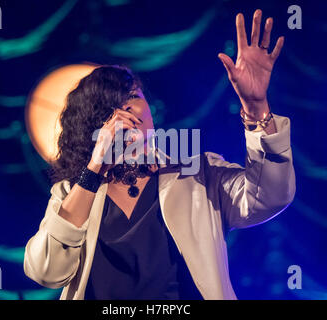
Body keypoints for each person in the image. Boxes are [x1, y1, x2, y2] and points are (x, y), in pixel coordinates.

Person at [24, 9, 295, 300]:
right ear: (93, 129)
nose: (124, 112)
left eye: (131, 98)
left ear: (149, 108)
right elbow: (46, 271)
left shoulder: (197, 172)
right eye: (107, 110)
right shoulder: (71, 194)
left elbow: (269, 196)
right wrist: (95, 167)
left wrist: (256, 109)